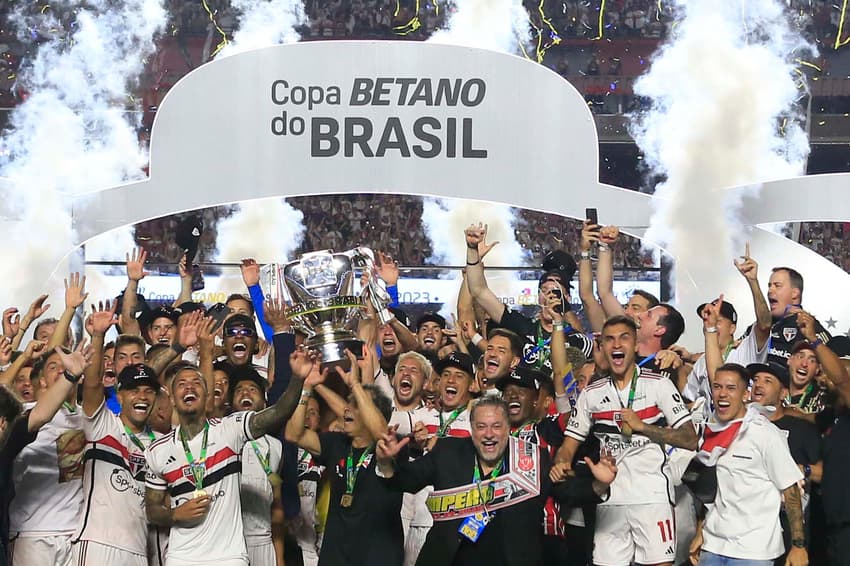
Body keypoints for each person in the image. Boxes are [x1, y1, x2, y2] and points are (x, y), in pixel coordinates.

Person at [375, 397, 618, 566]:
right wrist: (387, 462)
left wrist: (600, 484)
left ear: (508, 429)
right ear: (471, 429)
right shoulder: (448, 452)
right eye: (481, 427)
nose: (489, 434)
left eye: (496, 426)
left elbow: (568, 491)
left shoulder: (531, 457)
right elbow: (406, 480)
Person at [553, 315, 697, 566]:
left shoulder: (659, 385)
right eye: (609, 339)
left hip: (652, 498)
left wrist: (644, 427)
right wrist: (561, 463)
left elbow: (690, 439)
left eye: (624, 338)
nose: (616, 345)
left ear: (635, 345)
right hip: (610, 500)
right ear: (603, 347)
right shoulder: (591, 394)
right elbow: (568, 446)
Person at [144, 348, 307, 566]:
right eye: (182, 384)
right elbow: (152, 510)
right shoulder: (158, 450)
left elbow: (278, 413)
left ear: (207, 396)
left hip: (230, 557)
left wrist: (297, 379)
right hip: (181, 557)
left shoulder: (231, 430)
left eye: (196, 383)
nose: (189, 387)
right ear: (172, 399)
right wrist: (175, 514)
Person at [285, 350, 404, 566]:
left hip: (378, 557)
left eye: (357, 404)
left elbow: (380, 432)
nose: (347, 408)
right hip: (336, 556)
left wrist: (356, 385)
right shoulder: (336, 443)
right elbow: (294, 434)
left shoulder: (393, 446)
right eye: (349, 403)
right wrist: (308, 387)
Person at [689, 363, 807, 566]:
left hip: (753, 551)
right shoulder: (712, 431)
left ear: (746, 394)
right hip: (713, 545)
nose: (722, 394)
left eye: (731, 388)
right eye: (717, 387)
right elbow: (717, 491)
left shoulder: (765, 433)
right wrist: (702, 530)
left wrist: (798, 545)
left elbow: (791, 490)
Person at [1, 343, 92, 566]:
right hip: (32, 532)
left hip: (73, 532)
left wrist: (71, 375)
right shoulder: (23, 411)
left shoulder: (8, 444)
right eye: (53, 367)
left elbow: (40, 415)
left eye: (3, 420)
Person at [463, 224, 593, 376]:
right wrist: (472, 251)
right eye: (544, 291)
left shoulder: (578, 341)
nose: (550, 296)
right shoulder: (522, 325)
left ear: (567, 298)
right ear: (538, 296)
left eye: (556, 292)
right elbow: (479, 291)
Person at [747, 361, 822, 563]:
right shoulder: (742, 428)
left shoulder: (802, 429)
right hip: (746, 532)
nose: (758, 385)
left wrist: (799, 470)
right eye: (755, 380)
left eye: (768, 381)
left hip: (788, 532)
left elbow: (825, 473)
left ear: (783, 393)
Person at [229, 365, 284, 566]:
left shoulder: (276, 446)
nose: (245, 393)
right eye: (239, 390)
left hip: (263, 542)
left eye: (253, 389)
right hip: (229, 543)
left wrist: (279, 558)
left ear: (264, 401)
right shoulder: (221, 436)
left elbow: (276, 505)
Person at [766, 266, 830, 367]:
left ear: (794, 293)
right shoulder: (761, 324)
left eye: (777, 286)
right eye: (769, 286)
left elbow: (832, 363)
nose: (770, 290)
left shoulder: (810, 327)